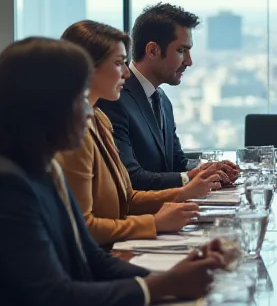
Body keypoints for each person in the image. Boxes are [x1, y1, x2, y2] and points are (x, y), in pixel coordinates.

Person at [0, 37, 226, 306]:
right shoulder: (10, 184)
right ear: (45, 106)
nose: (90, 110)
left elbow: (89, 259)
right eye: (80, 99)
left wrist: (172, 279)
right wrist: (162, 286)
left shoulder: (45, 168)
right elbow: (57, 297)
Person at [58, 21, 224, 246]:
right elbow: (82, 226)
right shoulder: (73, 134)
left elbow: (127, 198)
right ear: (86, 68)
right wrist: (154, 223)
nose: (126, 72)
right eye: (119, 64)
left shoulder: (99, 119)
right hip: (98, 257)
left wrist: (185, 192)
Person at [98, 3, 238, 191]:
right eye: (181, 51)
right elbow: (130, 178)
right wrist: (190, 177)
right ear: (153, 51)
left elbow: (176, 163)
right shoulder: (115, 99)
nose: (189, 61)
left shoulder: (162, 99)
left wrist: (207, 169)